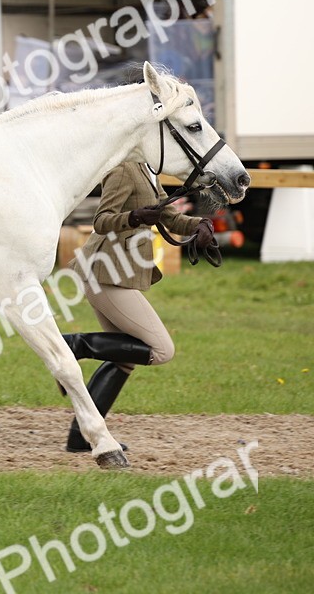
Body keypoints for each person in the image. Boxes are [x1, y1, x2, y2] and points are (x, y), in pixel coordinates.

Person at [62, 161, 216, 452]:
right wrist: (133, 217)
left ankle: (81, 436)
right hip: (104, 276)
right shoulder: (123, 169)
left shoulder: (147, 169)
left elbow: (167, 215)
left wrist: (199, 224)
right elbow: (102, 220)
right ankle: (75, 345)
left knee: (124, 358)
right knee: (162, 350)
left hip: (115, 275)